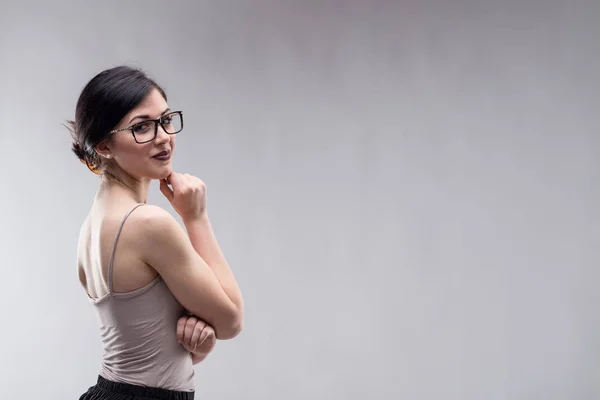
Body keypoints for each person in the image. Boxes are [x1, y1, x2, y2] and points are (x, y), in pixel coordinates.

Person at [70, 66, 244, 400]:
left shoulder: (91, 226)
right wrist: (195, 218)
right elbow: (232, 320)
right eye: (142, 127)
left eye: (165, 120)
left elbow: (145, 350)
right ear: (104, 146)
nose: (163, 136)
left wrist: (199, 346)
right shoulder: (147, 223)